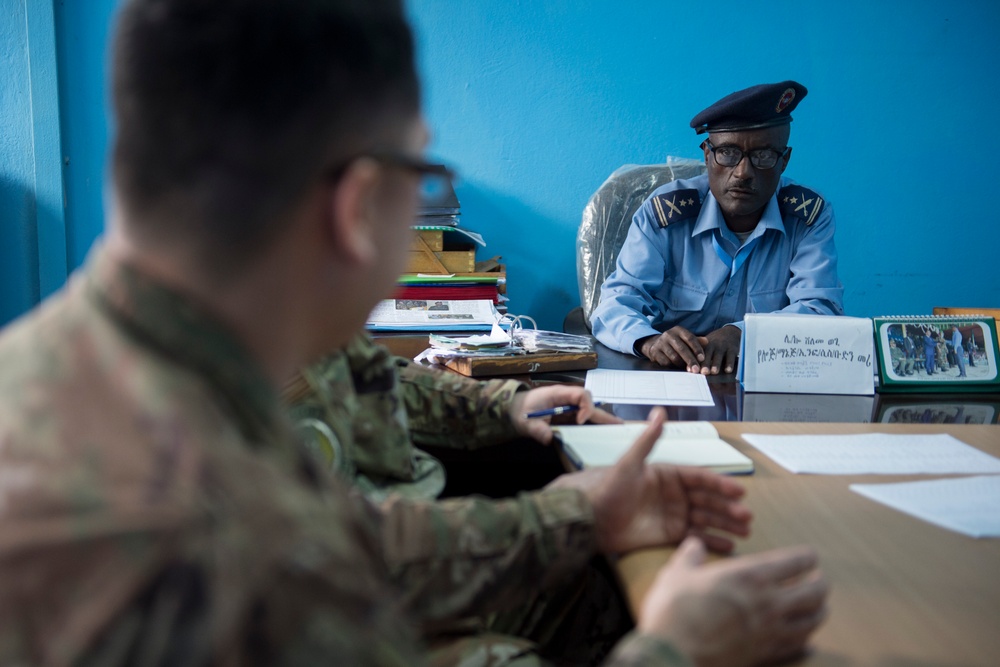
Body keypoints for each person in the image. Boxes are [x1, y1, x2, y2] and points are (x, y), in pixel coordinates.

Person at [0, 2, 828, 665]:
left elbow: (348, 542)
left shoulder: (135, 366)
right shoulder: (187, 521)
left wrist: (578, 518)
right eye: (422, 174)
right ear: (359, 206)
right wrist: (681, 648)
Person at [287, 333, 638, 664]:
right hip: (342, 614)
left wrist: (508, 405)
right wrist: (563, 517)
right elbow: (358, 551)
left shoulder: (295, 325)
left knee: (581, 588)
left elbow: (379, 380)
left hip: (393, 569)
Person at [592, 81, 844, 374]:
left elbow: (821, 309)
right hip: (668, 379)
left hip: (757, 383)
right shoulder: (665, 213)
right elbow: (616, 302)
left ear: (784, 161)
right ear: (707, 155)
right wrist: (648, 340)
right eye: (727, 153)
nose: (743, 172)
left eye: (763, 156)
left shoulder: (808, 217)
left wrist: (744, 334)